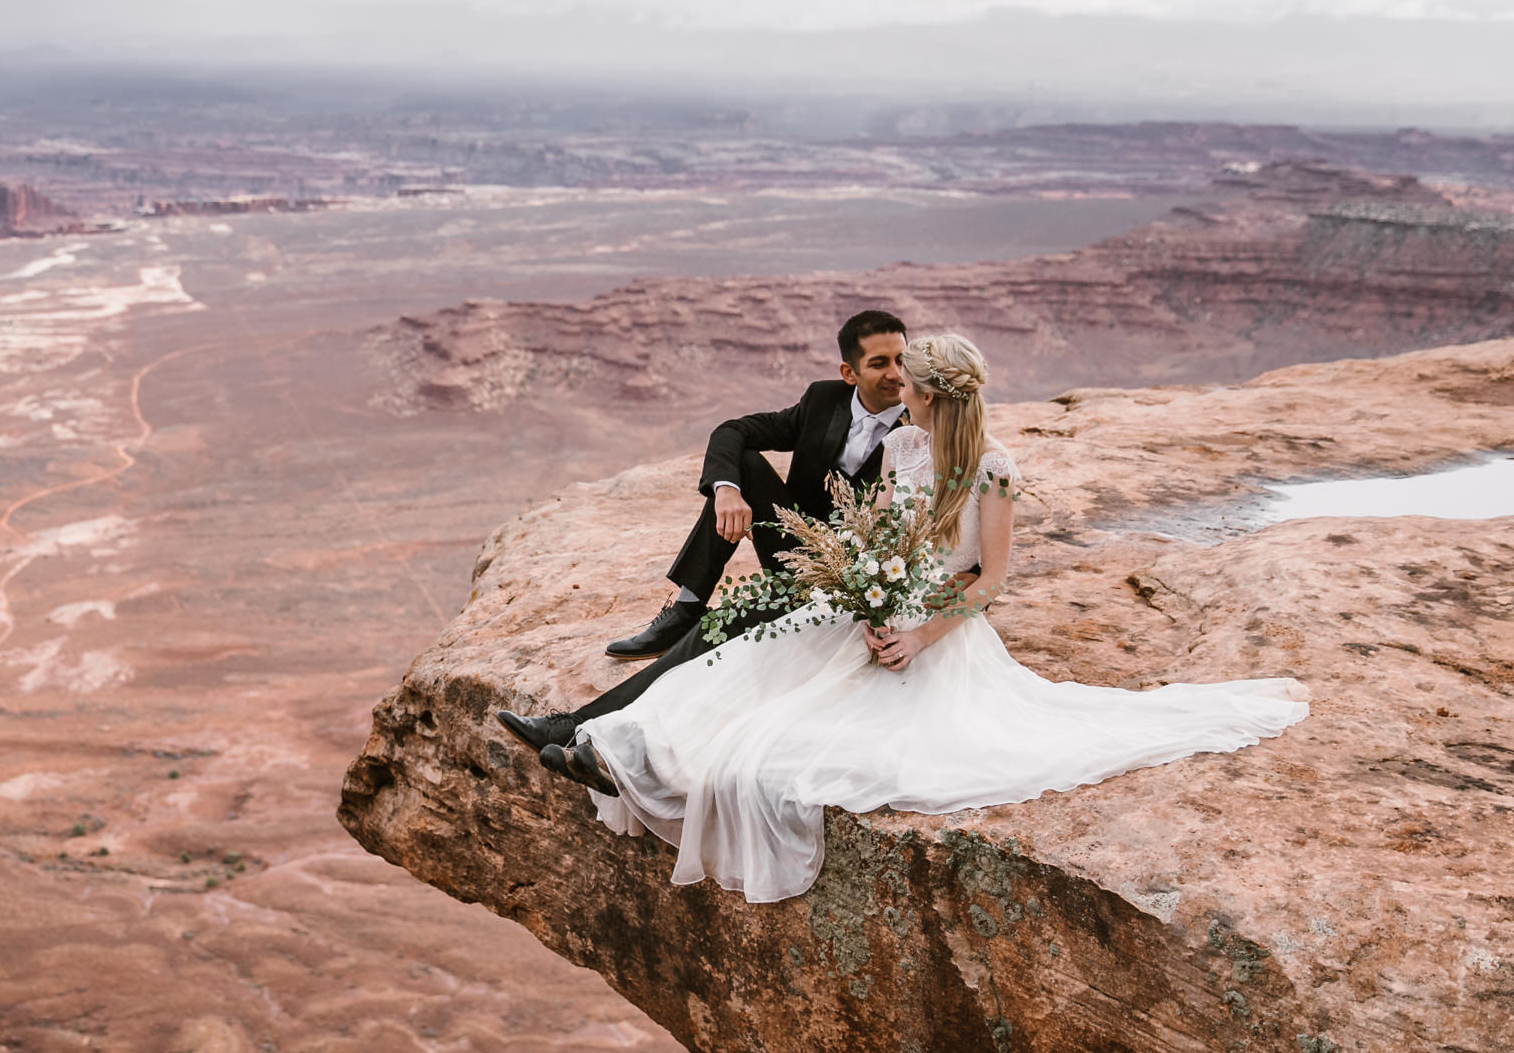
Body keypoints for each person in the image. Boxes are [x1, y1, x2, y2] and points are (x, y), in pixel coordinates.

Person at [520, 332, 1308, 904]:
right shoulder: (902, 450)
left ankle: (625, 751)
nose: (902, 392)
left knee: (790, 738)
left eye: (913, 385)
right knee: (745, 663)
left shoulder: (994, 470)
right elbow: (887, 534)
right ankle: (607, 744)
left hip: (935, 629)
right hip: (867, 600)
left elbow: (988, 578)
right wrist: (859, 587)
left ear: (934, 394)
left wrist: (920, 630)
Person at [494, 309, 910, 761]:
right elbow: (734, 430)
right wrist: (727, 491)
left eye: (901, 360)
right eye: (880, 363)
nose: (896, 374)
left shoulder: (921, 426)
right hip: (795, 546)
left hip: (850, 580)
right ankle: (688, 605)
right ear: (848, 372)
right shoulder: (824, 399)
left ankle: (580, 727)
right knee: (743, 465)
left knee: (715, 635)